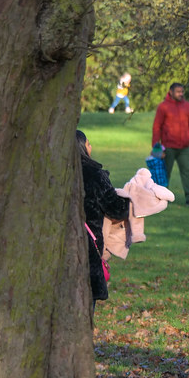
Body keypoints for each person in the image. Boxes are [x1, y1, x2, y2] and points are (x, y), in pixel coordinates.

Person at [77, 130, 130, 311]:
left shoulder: (53, 172)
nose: (91, 147)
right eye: (89, 144)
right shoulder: (94, 174)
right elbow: (117, 209)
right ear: (82, 147)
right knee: (86, 296)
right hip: (88, 247)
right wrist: (131, 199)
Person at [152, 82, 189, 207]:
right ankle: (159, 200)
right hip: (168, 147)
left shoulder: (186, 106)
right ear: (171, 92)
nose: (181, 94)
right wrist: (156, 147)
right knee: (164, 174)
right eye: (178, 92)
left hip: (184, 147)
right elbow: (156, 126)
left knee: (187, 172)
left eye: (182, 92)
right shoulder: (163, 107)